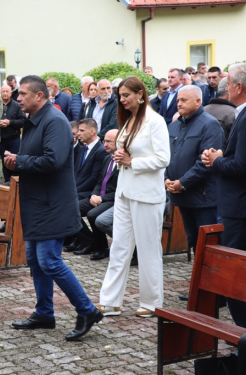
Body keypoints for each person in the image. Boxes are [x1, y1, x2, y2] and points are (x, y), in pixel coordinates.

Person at [3, 75, 103, 342]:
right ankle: (45, 313)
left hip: (53, 204)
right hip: (38, 202)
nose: (18, 98)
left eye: (23, 94)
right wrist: (17, 161)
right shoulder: (34, 120)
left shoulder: (55, 120)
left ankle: (87, 310)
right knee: (35, 260)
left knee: (49, 260)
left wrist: (19, 161)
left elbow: (54, 161)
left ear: (39, 96)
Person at [98, 76, 170, 318]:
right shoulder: (128, 121)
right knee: (119, 246)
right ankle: (110, 301)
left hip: (147, 195)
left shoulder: (156, 121)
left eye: (126, 95)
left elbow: (163, 159)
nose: (122, 100)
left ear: (141, 94)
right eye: (120, 96)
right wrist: (121, 154)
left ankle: (151, 303)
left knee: (149, 249)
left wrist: (132, 161)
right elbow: (128, 150)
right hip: (125, 192)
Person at [165, 85, 222, 301]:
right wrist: (167, 179)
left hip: (203, 196)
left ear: (198, 102)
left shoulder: (210, 125)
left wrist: (183, 182)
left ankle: (217, 293)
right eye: (178, 100)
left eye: (184, 100)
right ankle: (200, 289)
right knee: (193, 244)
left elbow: (205, 162)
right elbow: (167, 156)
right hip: (182, 195)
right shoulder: (175, 126)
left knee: (210, 247)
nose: (179, 104)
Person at [202, 63, 246, 329]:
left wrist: (216, 161)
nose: (225, 90)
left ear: (238, 87)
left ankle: (242, 338)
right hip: (238, 206)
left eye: (228, 85)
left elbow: (240, 167)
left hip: (238, 210)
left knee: (234, 275)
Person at [74, 129, 119, 261]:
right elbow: (99, 182)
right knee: (72, 209)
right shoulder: (107, 159)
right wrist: (94, 194)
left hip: (112, 199)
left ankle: (102, 247)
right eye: (104, 141)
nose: (104, 144)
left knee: (93, 215)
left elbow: (122, 190)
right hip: (99, 197)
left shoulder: (124, 162)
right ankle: (89, 240)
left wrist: (102, 198)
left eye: (108, 141)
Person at [0, 85, 26, 182]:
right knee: (4, 163)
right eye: (3, 91)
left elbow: (23, 121)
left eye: (7, 91)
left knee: (15, 162)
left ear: (11, 93)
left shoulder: (17, 105)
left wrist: (10, 122)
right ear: (0, 93)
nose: (5, 93)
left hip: (14, 140)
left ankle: (17, 183)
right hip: (1, 140)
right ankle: (7, 184)